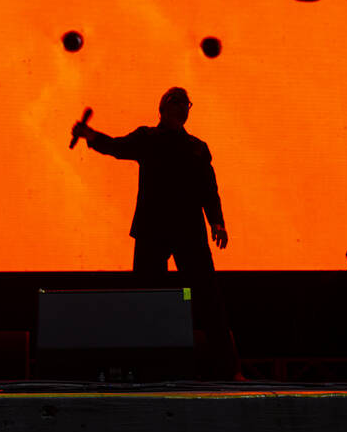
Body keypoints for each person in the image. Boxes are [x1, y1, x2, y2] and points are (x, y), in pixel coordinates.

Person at [72, 87, 241, 379]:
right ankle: (144, 370)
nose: (182, 107)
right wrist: (91, 136)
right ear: (162, 108)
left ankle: (229, 370)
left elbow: (208, 189)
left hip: (186, 232)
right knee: (147, 299)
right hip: (154, 230)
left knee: (208, 299)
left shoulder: (196, 147)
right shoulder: (148, 138)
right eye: (176, 102)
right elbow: (117, 146)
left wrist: (217, 221)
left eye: (186, 103)